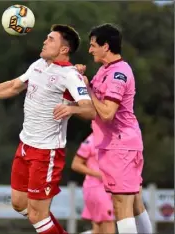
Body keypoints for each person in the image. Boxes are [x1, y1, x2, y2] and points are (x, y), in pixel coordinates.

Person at [0, 24, 96, 234]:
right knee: (18, 203)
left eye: (51, 39)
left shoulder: (70, 75)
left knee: (37, 215)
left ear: (64, 49)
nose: (44, 41)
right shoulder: (39, 65)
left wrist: (71, 109)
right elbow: (14, 86)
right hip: (25, 145)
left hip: (46, 152)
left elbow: (90, 110)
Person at [74, 24, 152, 233]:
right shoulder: (104, 70)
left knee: (121, 205)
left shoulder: (119, 74)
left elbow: (107, 113)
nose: (90, 50)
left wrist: (88, 89)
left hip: (121, 145)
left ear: (105, 46)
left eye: (92, 45)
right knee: (135, 204)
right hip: (117, 144)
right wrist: (80, 82)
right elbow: (94, 108)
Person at [71, 132, 115, 234]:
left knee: (98, 228)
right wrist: (98, 174)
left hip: (107, 188)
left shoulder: (113, 139)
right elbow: (75, 164)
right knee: (108, 223)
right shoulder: (91, 140)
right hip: (96, 187)